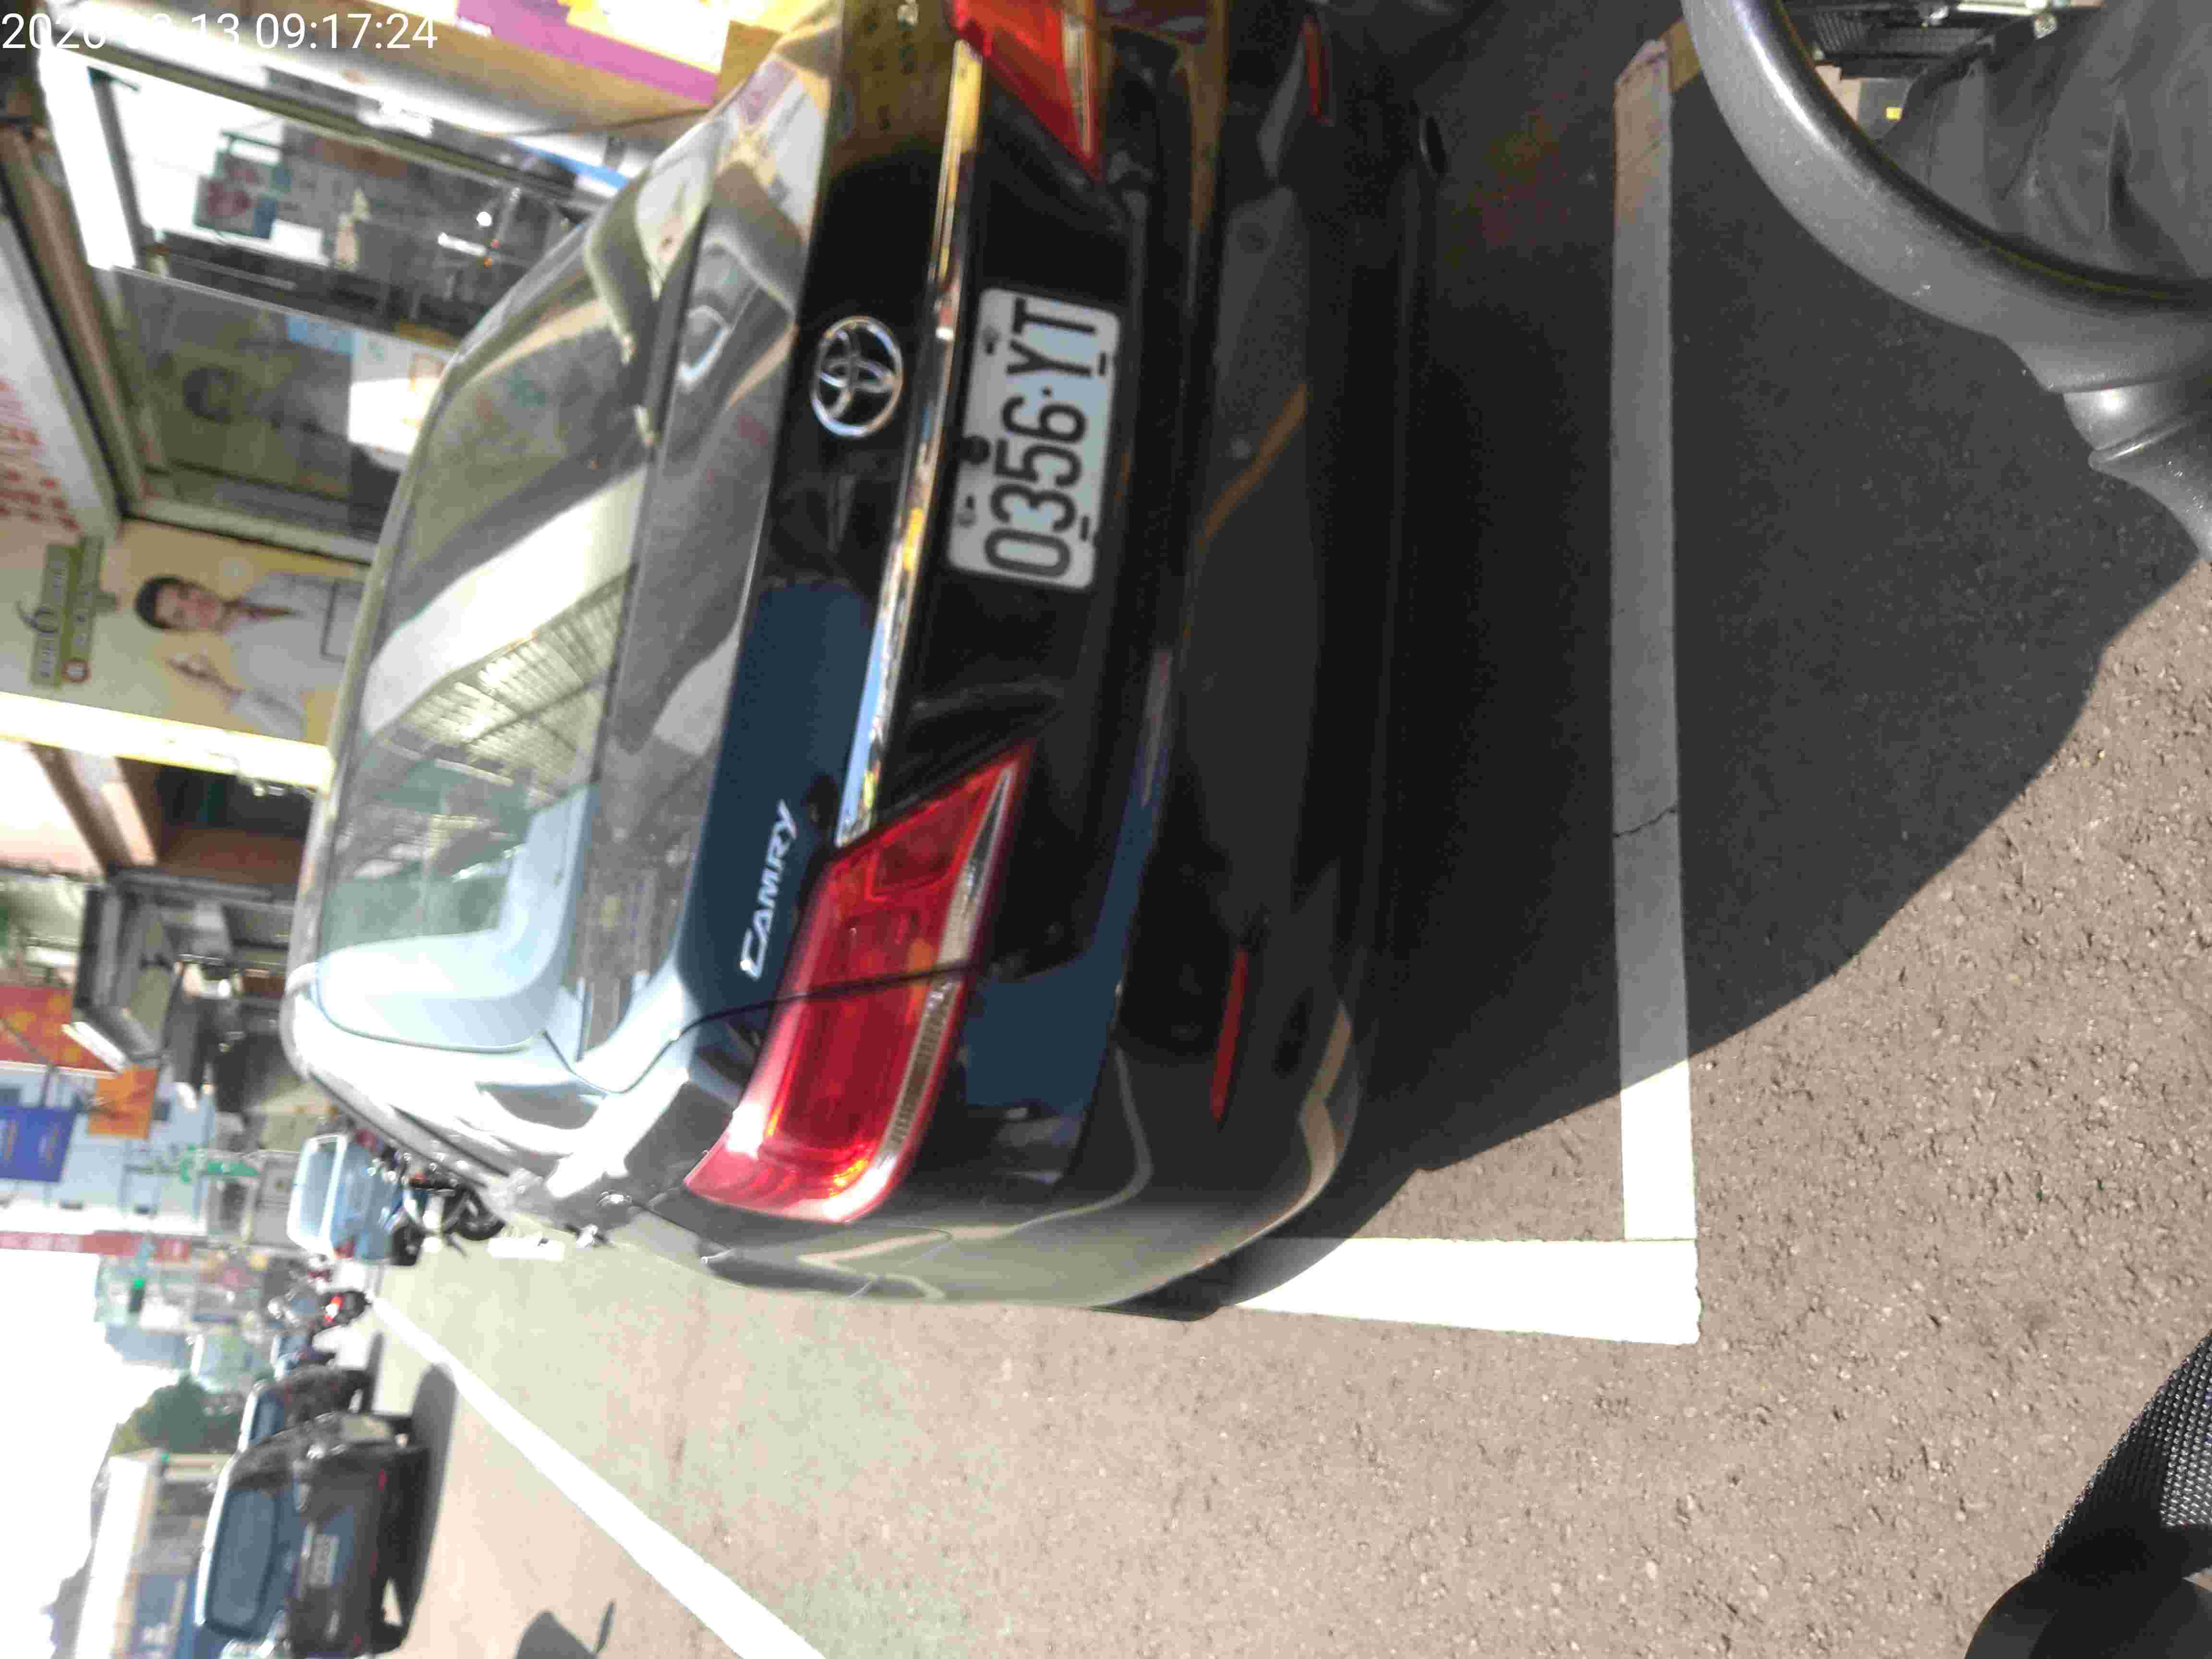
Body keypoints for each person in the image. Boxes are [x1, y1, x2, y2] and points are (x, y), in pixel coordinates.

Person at [133, 568, 363, 741]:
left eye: (185, 593)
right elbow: (292, 729)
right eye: (181, 615)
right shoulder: (250, 666)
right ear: (183, 631)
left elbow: (356, 587)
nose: (196, 605)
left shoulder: (274, 582)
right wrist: (217, 688)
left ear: (194, 584)